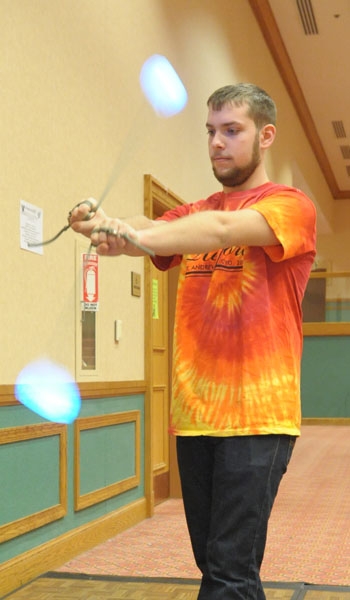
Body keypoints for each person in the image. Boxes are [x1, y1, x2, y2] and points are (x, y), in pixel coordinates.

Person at [70, 83, 316, 600]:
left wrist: (134, 235)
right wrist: (105, 226)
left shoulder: (290, 207)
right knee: (217, 565)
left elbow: (224, 229)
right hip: (196, 415)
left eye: (232, 131)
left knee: (230, 570)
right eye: (210, 132)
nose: (217, 144)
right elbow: (149, 227)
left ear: (265, 135)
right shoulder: (193, 213)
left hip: (258, 418)